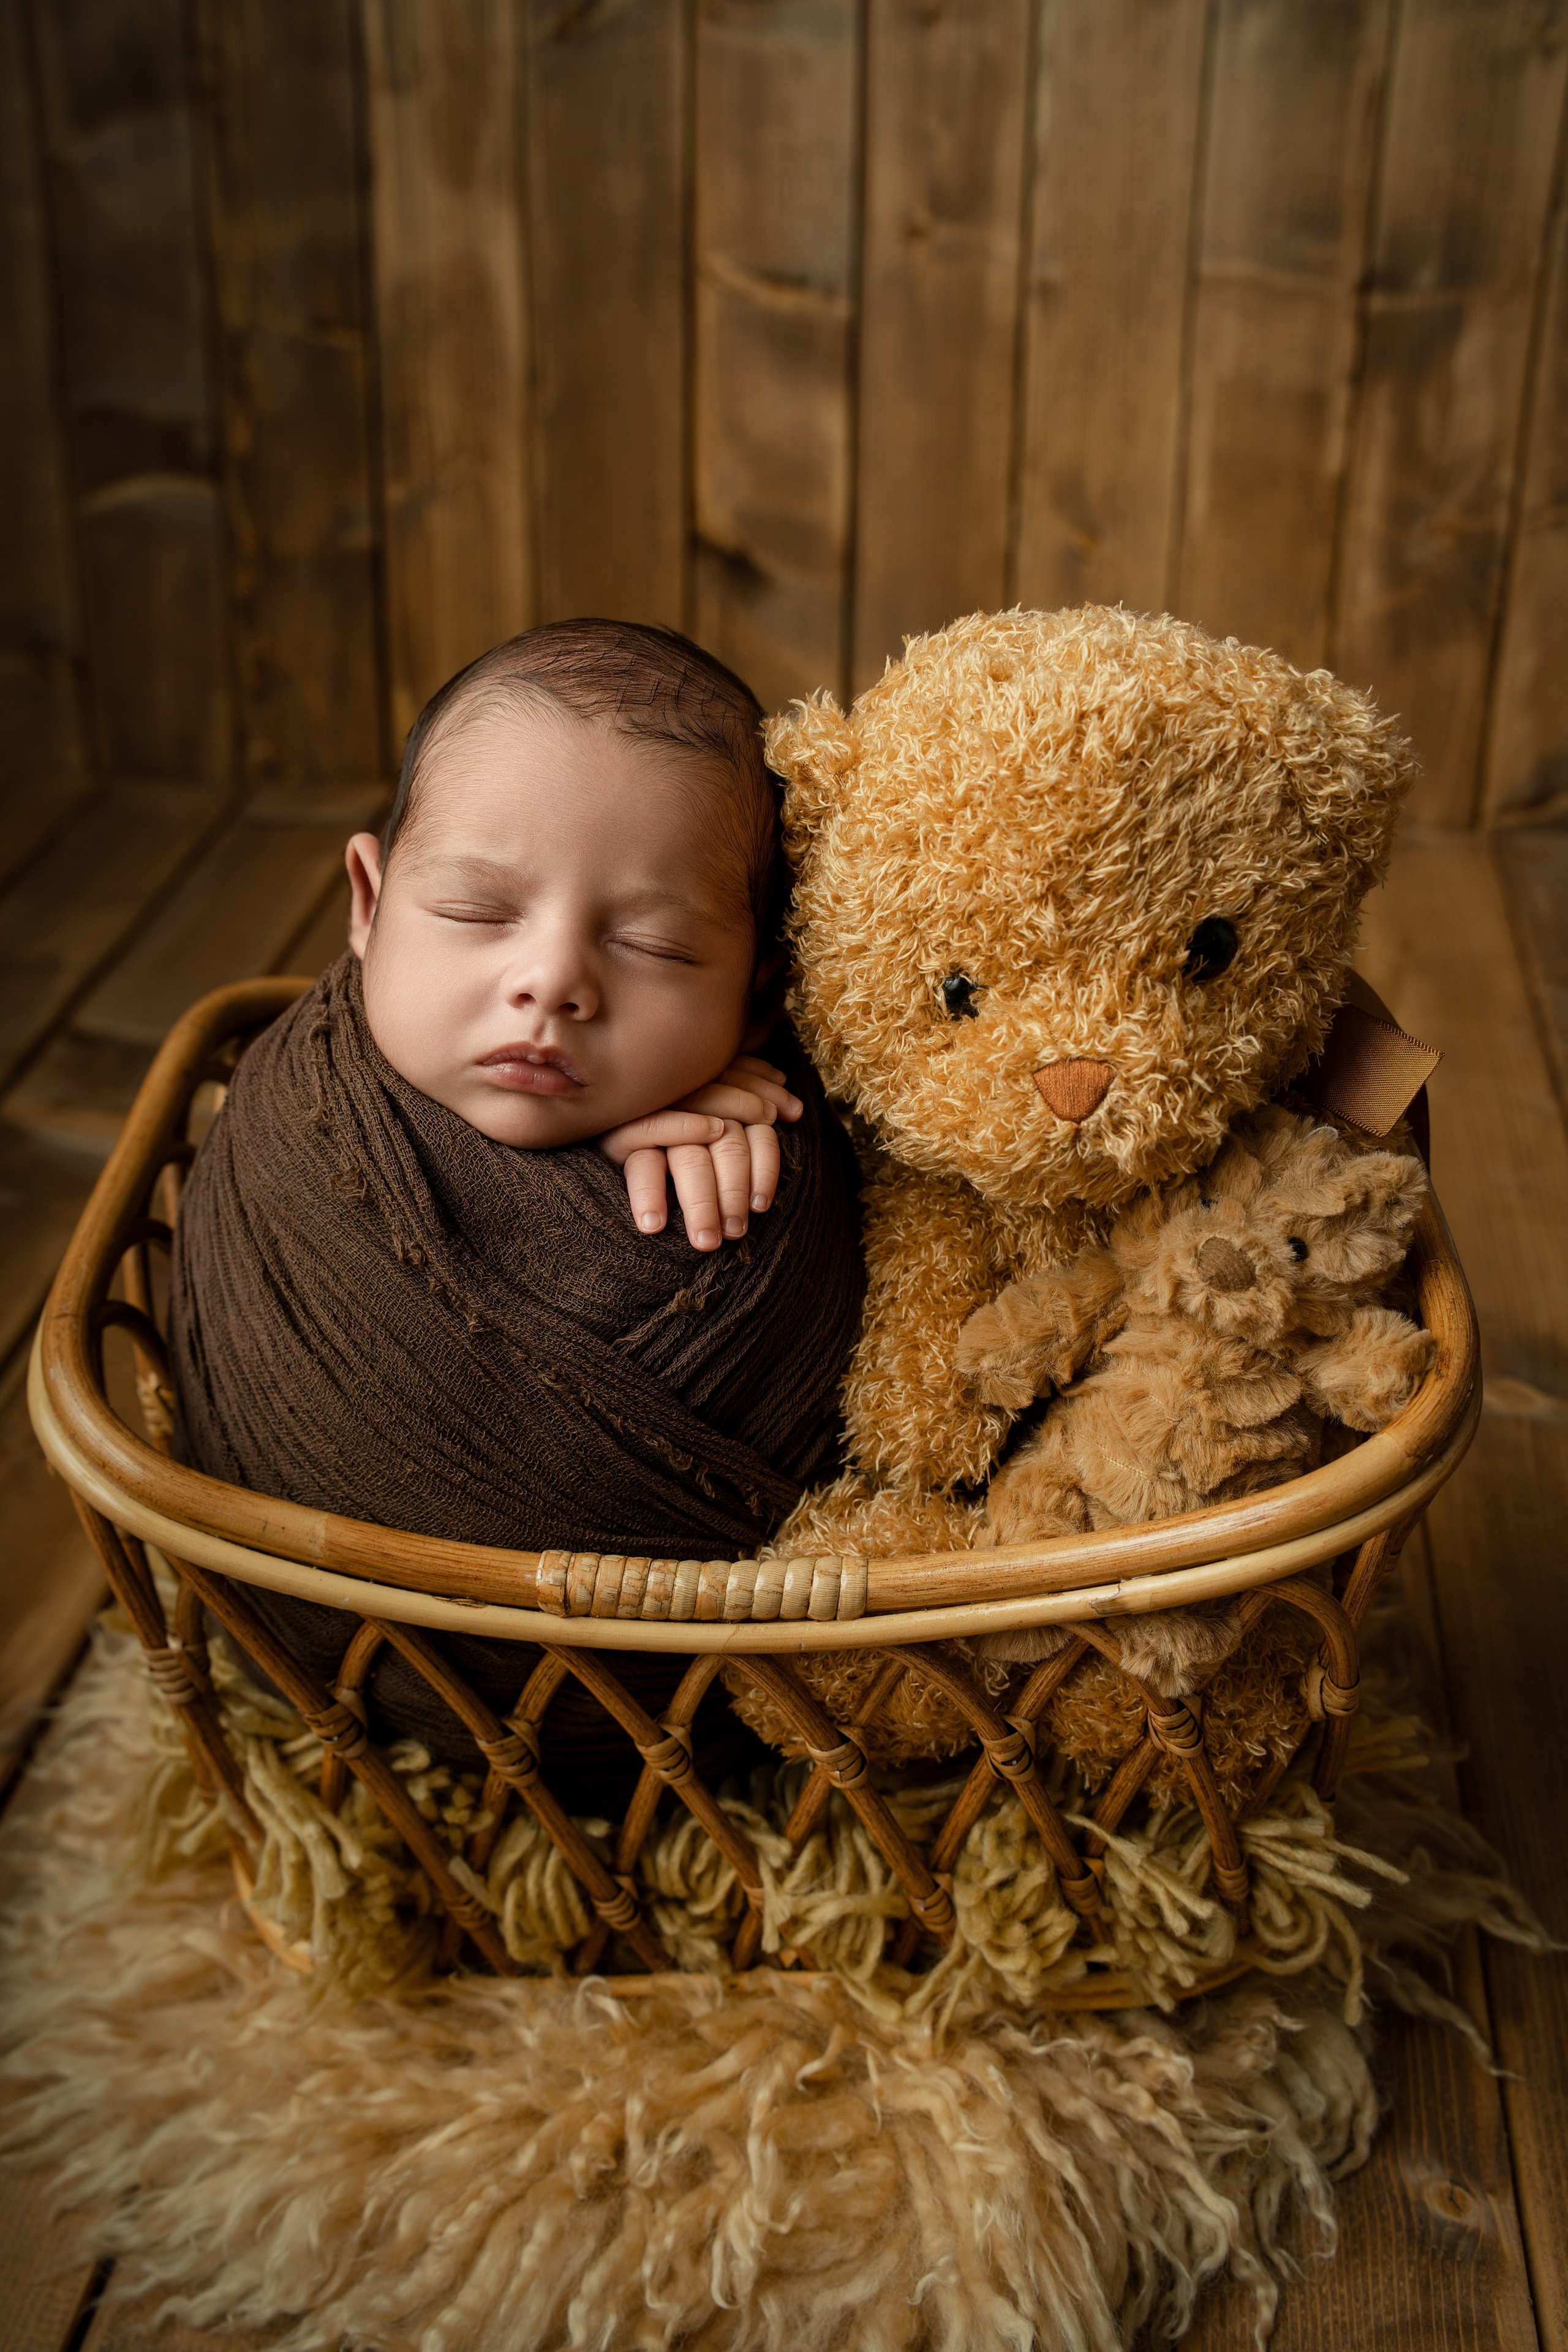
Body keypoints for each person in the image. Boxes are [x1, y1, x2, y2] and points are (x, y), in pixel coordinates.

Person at [168, 621, 865, 1797]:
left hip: (697, 1718)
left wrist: (773, 1126)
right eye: (479, 914)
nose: (553, 982)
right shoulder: (296, 1124)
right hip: (334, 1662)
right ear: (368, 905)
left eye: (652, 944)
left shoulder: (776, 1143)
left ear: (759, 1001)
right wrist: (593, 1162)